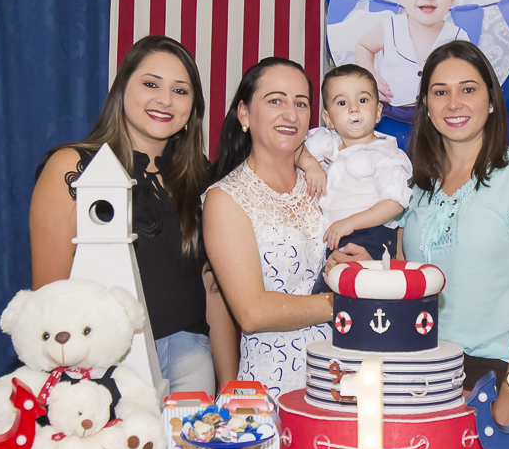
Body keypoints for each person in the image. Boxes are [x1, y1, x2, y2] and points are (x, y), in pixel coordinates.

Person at [339, 41, 509, 427]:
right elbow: (411, 284)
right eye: (441, 92)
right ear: (426, 104)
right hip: (423, 373)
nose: (454, 103)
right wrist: (373, 269)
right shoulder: (414, 188)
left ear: (491, 100)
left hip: (499, 375)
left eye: (468, 89)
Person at [30, 36, 238, 394]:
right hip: (107, 365)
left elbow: (212, 284)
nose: (165, 100)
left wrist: (230, 381)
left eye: (181, 90)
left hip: (192, 357)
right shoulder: (72, 167)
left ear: (194, 108)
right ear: (122, 89)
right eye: (151, 83)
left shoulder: (204, 177)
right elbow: (50, 297)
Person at [202, 57, 335, 398]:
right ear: (244, 114)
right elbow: (252, 312)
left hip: (341, 376)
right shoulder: (226, 198)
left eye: (301, 103)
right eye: (275, 100)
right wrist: (342, 302)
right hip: (272, 387)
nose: (291, 114)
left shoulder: (328, 183)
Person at [298, 65, 413, 294]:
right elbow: (293, 148)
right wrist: (310, 164)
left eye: (363, 100)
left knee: (341, 290)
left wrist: (350, 222)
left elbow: (394, 203)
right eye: (342, 103)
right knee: (331, 287)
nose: (353, 109)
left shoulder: (385, 155)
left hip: (370, 233)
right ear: (328, 118)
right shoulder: (327, 142)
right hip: (335, 236)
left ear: (378, 112)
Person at [354, 0, 467, 111]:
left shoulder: (458, 37)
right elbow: (363, 46)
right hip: (388, 111)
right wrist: (370, 77)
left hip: (437, 116)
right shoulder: (391, 26)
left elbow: (467, 76)